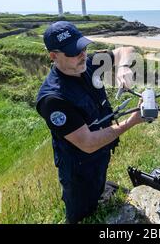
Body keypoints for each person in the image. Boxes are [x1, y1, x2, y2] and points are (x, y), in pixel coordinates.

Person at [36, 21, 143, 223]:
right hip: (78, 165)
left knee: (99, 184)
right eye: (72, 52)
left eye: (83, 47)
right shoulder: (53, 99)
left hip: (102, 151)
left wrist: (123, 67)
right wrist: (132, 121)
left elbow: (125, 50)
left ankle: (100, 194)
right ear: (53, 56)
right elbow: (88, 142)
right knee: (81, 213)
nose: (82, 55)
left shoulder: (88, 64)